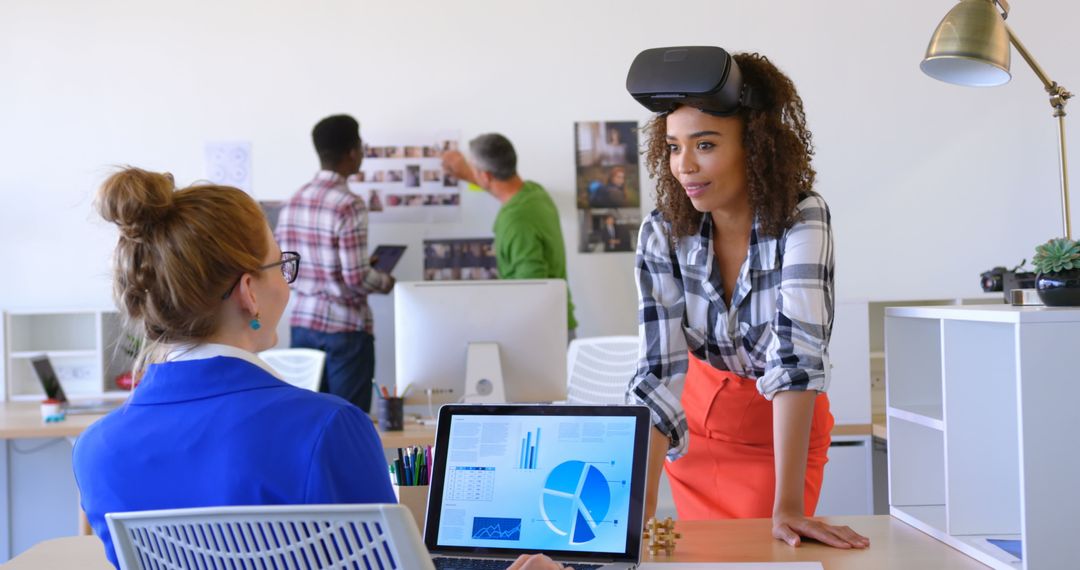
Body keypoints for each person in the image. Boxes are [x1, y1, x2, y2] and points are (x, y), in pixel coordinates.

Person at [73, 167, 571, 570]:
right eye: (281, 266)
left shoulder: (96, 450)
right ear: (249, 291)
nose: (287, 284)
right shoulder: (326, 428)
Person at [626, 49, 870, 550]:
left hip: (780, 436)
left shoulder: (802, 218)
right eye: (673, 147)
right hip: (695, 431)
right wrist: (636, 518)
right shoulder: (662, 231)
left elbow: (798, 357)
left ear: (755, 147)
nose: (684, 166)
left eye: (706, 144)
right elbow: (658, 373)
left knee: (773, 551)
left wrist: (788, 506)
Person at [276, 114, 393, 413]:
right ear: (352, 152)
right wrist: (383, 280)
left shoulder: (294, 200)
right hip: (345, 329)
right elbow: (356, 278)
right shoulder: (348, 204)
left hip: (303, 323)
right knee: (347, 422)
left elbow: (285, 264)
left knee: (306, 421)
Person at [442, 133, 578, 334]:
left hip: (540, 333)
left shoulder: (516, 220)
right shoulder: (535, 193)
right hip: (556, 323)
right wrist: (469, 173)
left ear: (486, 176)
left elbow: (530, 290)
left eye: (473, 169)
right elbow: (495, 184)